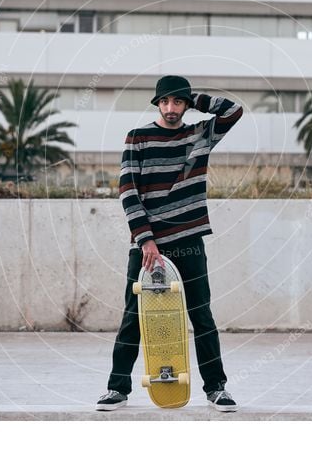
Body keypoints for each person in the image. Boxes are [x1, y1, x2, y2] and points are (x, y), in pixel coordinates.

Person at [96, 75, 243, 412]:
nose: (171, 108)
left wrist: (194, 97)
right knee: (134, 317)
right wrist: (146, 240)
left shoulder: (200, 134)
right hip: (148, 246)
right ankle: (117, 388)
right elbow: (128, 191)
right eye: (165, 101)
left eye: (178, 102)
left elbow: (233, 111)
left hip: (189, 240)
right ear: (157, 104)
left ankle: (216, 389)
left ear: (185, 104)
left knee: (201, 314)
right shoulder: (138, 138)